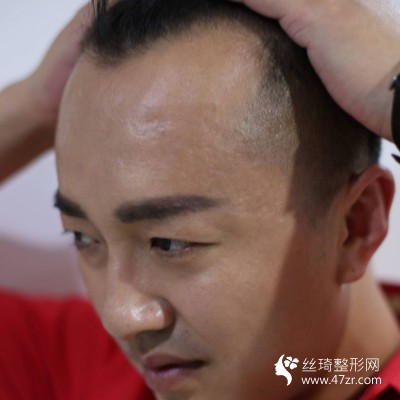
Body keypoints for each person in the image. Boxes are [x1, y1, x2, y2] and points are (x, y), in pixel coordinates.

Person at [1, 1, 400, 400]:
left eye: (170, 243)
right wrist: (34, 106)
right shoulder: (78, 366)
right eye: (84, 237)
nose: (120, 317)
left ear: (355, 226)